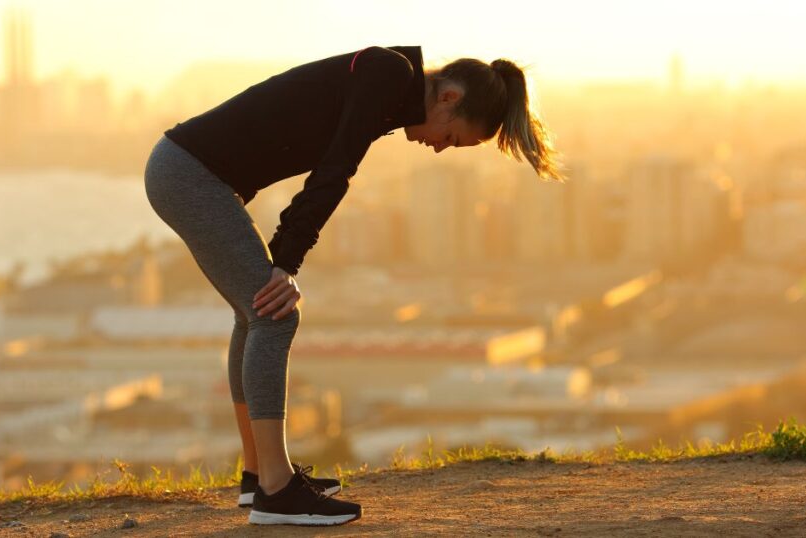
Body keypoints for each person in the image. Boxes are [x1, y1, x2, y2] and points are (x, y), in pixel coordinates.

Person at [143, 45, 561, 526]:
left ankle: (259, 476)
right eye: (451, 136)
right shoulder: (388, 74)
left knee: (254, 311)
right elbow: (335, 171)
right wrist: (285, 262)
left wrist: (280, 259)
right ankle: (275, 492)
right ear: (448, 97)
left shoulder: (388, 83)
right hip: (191, 175)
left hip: (187, 171)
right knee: (275, 313)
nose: (441, 147)